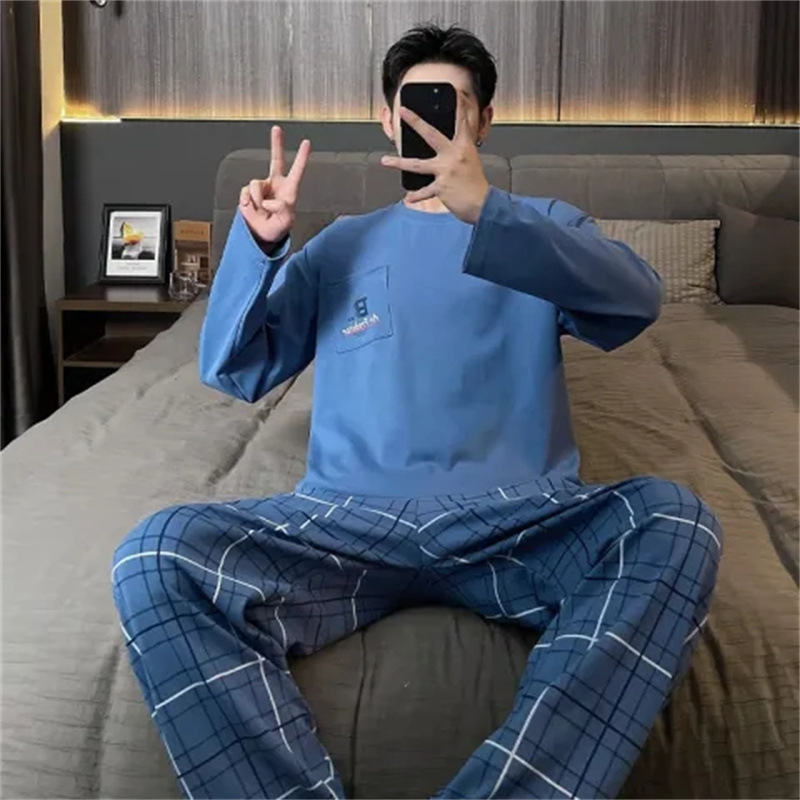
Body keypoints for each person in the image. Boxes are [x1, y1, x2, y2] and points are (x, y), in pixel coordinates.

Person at [112, 24, 722, 800]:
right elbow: (235, 368)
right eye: (414, 107)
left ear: (484, 121)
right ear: (386, 120)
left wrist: (488, 212)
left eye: (452, 106)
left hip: (518, 520)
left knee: (676, 522)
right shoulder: (342, 244)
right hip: (346, 525)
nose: (432, 124)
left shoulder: (543, 224)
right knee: (155, 554)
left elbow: (634, 302)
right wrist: (257, 248)